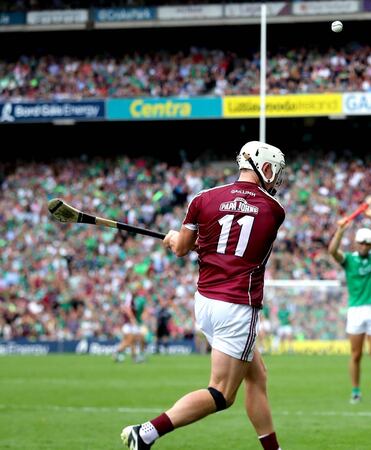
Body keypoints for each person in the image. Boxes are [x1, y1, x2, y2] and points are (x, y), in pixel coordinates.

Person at [120, 141, 286, 450]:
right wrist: (197, 243)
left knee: (257, 375)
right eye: (274, 172)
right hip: (237, 305)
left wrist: (174, 240)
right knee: (222, 394)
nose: (276, 180)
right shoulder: (274, 210)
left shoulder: (203, 199)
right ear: (264, 168)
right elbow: (244, 250)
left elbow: (184, 248)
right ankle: (145, 433)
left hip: (206, 303)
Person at [328, 208, 371, 405]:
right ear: (357, 243)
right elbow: (332, 251)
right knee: (355, 354)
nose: (365, 246)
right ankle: (356, 391)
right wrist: (340, 230)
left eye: (368, 243)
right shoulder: (349, 260)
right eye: (362, 243)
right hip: (356, 310)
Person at [114, 290, 147, 364]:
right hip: (129, 324)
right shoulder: (129, 299)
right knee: (129, 341)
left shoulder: (132, 300)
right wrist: (132, 319)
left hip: (130, 324)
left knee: (132, 341)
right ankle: (117, 352)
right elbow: (127, 310)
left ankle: (134, 357)